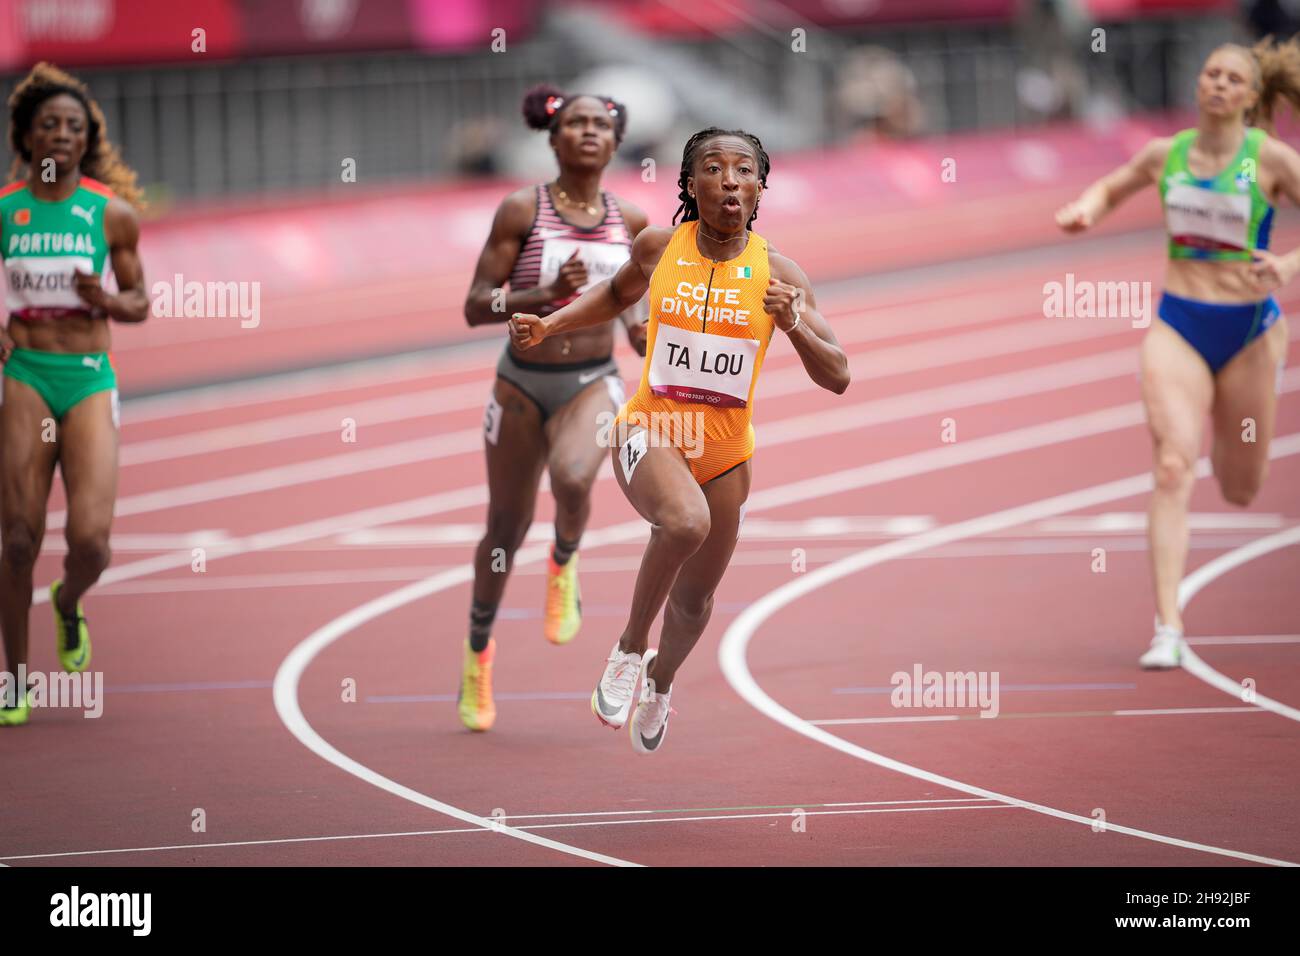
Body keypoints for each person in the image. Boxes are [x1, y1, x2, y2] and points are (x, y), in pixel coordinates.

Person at [510, 127, 849, 753]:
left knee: (694, 603)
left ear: (758, 187)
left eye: (742, 169)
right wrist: (549, 324)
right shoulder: (659, 246)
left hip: (725, 449)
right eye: (713, 169)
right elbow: (615, 295)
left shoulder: (780, 273)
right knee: (684, 523)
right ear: (691, 186)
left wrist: (793, 321)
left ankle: (661, 681)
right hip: (652, 425)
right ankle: (629, 649)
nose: (728, 179)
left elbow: (838, 376)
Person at [1055, 39, 1297, 668]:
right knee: (1170, 466)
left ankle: (1231, 422)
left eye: (1232, 78)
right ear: (1199, 85)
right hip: (1180, 324)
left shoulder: (1270, 159)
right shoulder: (1170, 154)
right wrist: (1088, 207)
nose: (1217, 84)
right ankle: (1168, 628)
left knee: (1243, 486)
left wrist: (1290, 263)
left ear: (1250, 96)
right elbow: (1116, 184)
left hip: (1248, 331)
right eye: (1210, 73)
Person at [457, 84, 648, 731]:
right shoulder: (522, 211)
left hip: (591, 380)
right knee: (505, 530)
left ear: (616, 142)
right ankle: (478, 655)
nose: (589, 132)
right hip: (519, 386)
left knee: (572, 477)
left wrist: (646, 332)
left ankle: (565, 558)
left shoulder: (636, 224)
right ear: (554, 137)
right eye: (576, 123)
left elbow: (638, 308)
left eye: (601, 124)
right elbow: (476, 306)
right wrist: (539, 293)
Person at [0, 63, 149, 725]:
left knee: (91, 542)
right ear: (27, 137)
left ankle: (67, 601)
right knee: (17, 537)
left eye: (74, 128)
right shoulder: (7, 212)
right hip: (27, 372)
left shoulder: (110, 214)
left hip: (88, 375)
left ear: (86, 141)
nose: (62, 135)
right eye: (49, 125)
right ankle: (15, 681)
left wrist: (110, 301)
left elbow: (142, 301)